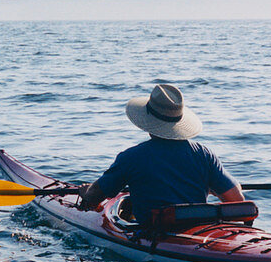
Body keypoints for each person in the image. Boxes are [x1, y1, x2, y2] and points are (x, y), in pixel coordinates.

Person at [78, 83, 245, 225]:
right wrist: (214, 188)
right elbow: (236, 200)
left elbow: (94, 197)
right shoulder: (204, 155)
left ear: (148, 122)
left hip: (155, 235)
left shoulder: (131, 158)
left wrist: (85, 192)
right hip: (198, 230)